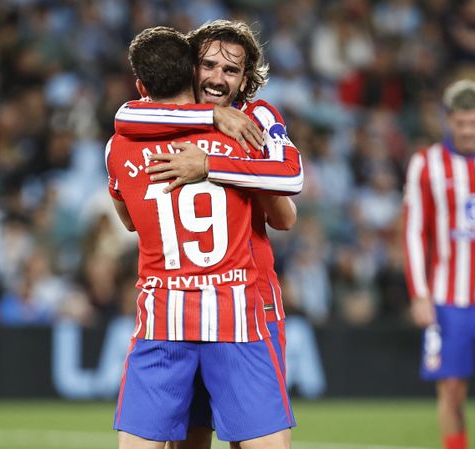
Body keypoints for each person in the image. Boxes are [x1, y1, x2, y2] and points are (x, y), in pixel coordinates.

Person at [114, 20, 303, 449]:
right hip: (225, 305)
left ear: (245, 78)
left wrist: (210, 167)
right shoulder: (197, 124)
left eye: (231, 71)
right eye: (208, 65)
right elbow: (286, 214)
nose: (218, 78)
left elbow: (286, 211)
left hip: (251, 298)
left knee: (227, 435)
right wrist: (213, 118)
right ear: (189, 67)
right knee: (195, 435)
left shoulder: (253, 119)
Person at [404, 79, 475, 449]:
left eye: (473, 123)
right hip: (447, 298)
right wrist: (419, 294)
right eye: (460, 123)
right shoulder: (426, 164)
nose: (467, 131)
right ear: (449, 121)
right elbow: (414, 230)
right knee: (451, 390)